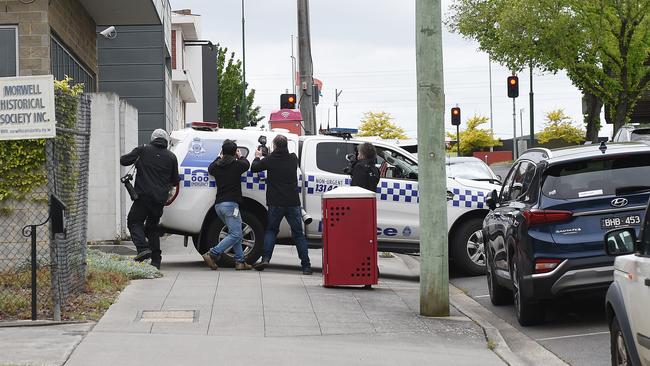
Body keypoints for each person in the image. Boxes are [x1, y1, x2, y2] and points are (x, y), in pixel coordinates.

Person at [251, 135, 312, 275]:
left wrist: (257, 156)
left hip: (275, 202)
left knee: (271, 230)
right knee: (298, 234)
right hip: (292, 202)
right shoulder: (293, 158)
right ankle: (306, 266)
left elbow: (254, 168)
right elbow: (282, 156)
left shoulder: (270, 160)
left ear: (275, 146)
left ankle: (265, 258)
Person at [120, 129, 180, 269]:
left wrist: (137, 155)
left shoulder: (143, 150)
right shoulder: (172, 157)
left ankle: (143, 249)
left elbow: (124, 160)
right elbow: (175, 180)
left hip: (142, 197)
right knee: (152, 228)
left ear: (152, 138)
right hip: (159, 199)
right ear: (166, 140)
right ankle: (156, 261)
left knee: (134, 221)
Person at [201, 139, 253, 271]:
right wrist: (240, 155)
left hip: (219, 206)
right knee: (236, 234)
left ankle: (240, 262)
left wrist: (219, 156)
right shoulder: (237, 165)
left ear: (223, 152)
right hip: (231, 206)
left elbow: (210, 167)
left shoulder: (216, 166)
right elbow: (246, 164)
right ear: (235, 152)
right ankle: (212, 253)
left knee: (235, 233)